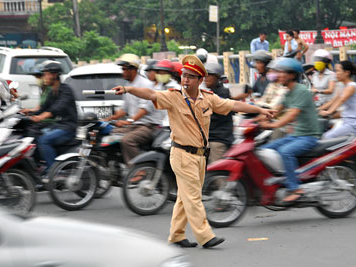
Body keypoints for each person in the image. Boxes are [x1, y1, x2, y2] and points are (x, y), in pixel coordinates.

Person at [112, 55, 275, 249]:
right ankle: (205, 236)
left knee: (185, 197)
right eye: (183, 76)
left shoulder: (209, 99)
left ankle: (176, 235)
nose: (186, 80)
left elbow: (233, 105)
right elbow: (150, 94)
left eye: (190, 76)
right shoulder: (173, 96)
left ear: (200, 80)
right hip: (181, 154)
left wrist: (259, 110)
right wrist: (128, 89)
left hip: (200, 156)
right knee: (193, 198)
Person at [255, 58, 321, 203]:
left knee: (286, 152)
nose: (278, 75)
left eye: (281, 72)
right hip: (296, 135)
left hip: (308, 136)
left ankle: (295, 188)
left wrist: (273, 125)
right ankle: (281, 180)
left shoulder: (301, 91)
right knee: (264, 150)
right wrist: (256, 120)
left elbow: (292, 114)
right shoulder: (288, 92)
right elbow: (276, 110)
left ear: (291, 75)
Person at [104, 54, 162, 166]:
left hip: (149, 126)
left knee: (127, 140)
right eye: (123, 69)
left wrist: (128, 121)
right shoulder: (128, 85)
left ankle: (139, 170)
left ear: (133, 69)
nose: (123, 72)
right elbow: (124, 109)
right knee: (110, 135)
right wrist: (111, 118)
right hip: (134, 126)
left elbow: (145, 109)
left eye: (125, 69)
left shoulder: (145, 84)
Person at [30, 61, 78, 171]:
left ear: (55, 75)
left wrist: (41, 117)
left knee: (44, 140)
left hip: (68, 127)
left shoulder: (66, 90)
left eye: (46, 74)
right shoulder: (52, 92)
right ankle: (40, 166)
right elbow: (43, 108)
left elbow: (56, 108)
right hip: (58, 125)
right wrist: (27, 114)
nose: (44, 77)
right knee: (33, 136)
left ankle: (53, 172)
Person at [319, 61, 356, 139]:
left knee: (326, 137)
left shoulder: (352, 86)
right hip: (346, 122)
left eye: (337, 71)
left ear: (347, 72)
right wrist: (316, 109)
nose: (335, 73)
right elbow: (333, 100)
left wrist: (328, 112)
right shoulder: (343, 86)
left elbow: (341, 100)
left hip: (353, 125)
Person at [204, 62, 234, 164]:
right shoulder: (209, 92)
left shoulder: (222, 93)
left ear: (217, 77)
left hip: (218, 138)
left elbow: (217, 115)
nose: (206, 78)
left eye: (209, 76)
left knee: (216, 171)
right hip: (209, 136)